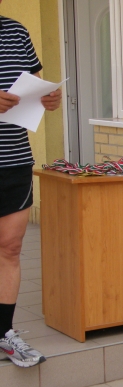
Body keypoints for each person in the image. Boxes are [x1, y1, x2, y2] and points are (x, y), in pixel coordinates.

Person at [0, 12, 62, 367]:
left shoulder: (16, 31)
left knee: (10, 248)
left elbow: (35, 87)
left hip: (14, 160)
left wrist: (47, 99)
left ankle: (3, 331)